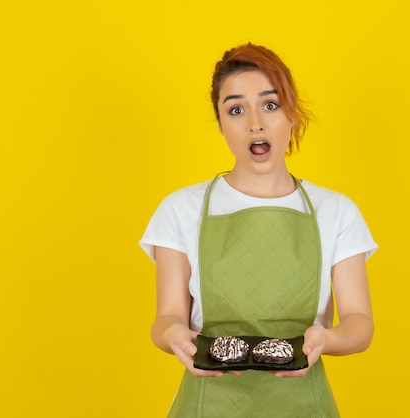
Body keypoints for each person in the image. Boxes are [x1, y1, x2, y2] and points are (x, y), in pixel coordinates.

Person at [140, 43, 378, 417]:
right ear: (220, 124)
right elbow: (167, 318)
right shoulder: (181, 209)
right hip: (208, 405)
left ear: (292, 113)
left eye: (270, 104)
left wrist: (325, 338)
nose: (255, 123)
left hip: (304, 406)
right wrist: (172, 336)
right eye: (236, 109)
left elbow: (359, 324)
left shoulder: (336, 212)